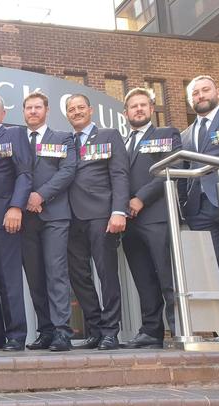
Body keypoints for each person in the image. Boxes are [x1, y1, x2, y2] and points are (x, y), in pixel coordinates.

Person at [66, 93, 129, 351]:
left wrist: (119, 211)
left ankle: (111, 332)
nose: (77, 112)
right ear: (67, 114)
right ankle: (95, 328)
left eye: (81, 107)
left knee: (106, 275)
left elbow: (120, 174)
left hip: (102, 215)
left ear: (90, 110)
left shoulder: (109, 135)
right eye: (72, 109)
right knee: (78, 276)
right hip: (71, 218)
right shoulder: (65, 140)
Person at [121, 87, 180, 349]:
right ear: (126, 113)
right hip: (130, 223)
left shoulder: (166, 134)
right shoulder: (122, 143)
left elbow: (173, 166)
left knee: (168, 277)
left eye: (143, 105)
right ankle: (151, 332)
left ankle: (179, 328)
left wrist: (141, 197)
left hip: (156, 218)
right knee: (143, 280)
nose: (139, 109)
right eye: (134, 106)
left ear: (152, 109)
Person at [21, 91, 77, 352]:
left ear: (47, 110)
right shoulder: (19, 139)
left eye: (37, 107)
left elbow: (67, 171)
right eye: (28, 108)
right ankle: (45, 331)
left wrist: (40, 195)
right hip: (26, 219)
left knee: (56, 274)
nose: (33, 112)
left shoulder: (63, 138)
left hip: (54, 215)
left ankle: (62, 332)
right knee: (35, 277)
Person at [181, 75, 219, 322]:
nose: (200, 96)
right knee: (216, 268)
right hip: (201, 209)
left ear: (217, 92)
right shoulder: (186, 134)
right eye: (195, 93)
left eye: (205, 90)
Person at [0, 93, 32, 351]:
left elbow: (24, 174)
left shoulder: (14, 135)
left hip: (5, 216)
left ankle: (16, 334)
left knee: (8, 279)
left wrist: (15, 206)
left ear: (2, 113)